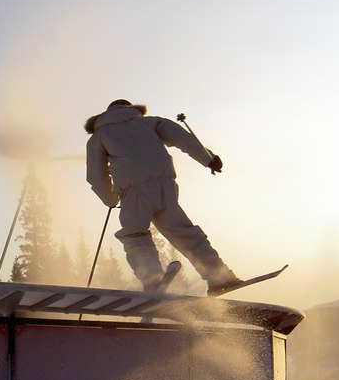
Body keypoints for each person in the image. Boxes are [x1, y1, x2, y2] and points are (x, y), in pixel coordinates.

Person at [84, 99, 240, 294]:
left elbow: (96, 174)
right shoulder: (150, 123)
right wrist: (209, 160)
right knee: (183, 231)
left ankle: (153, 280)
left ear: (105, 115)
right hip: (165, 185)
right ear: (131, 109)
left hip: (134, 192)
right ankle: (220, 277)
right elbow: (184, 138)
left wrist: (109, 198)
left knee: (135, 234)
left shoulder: (99, 136)